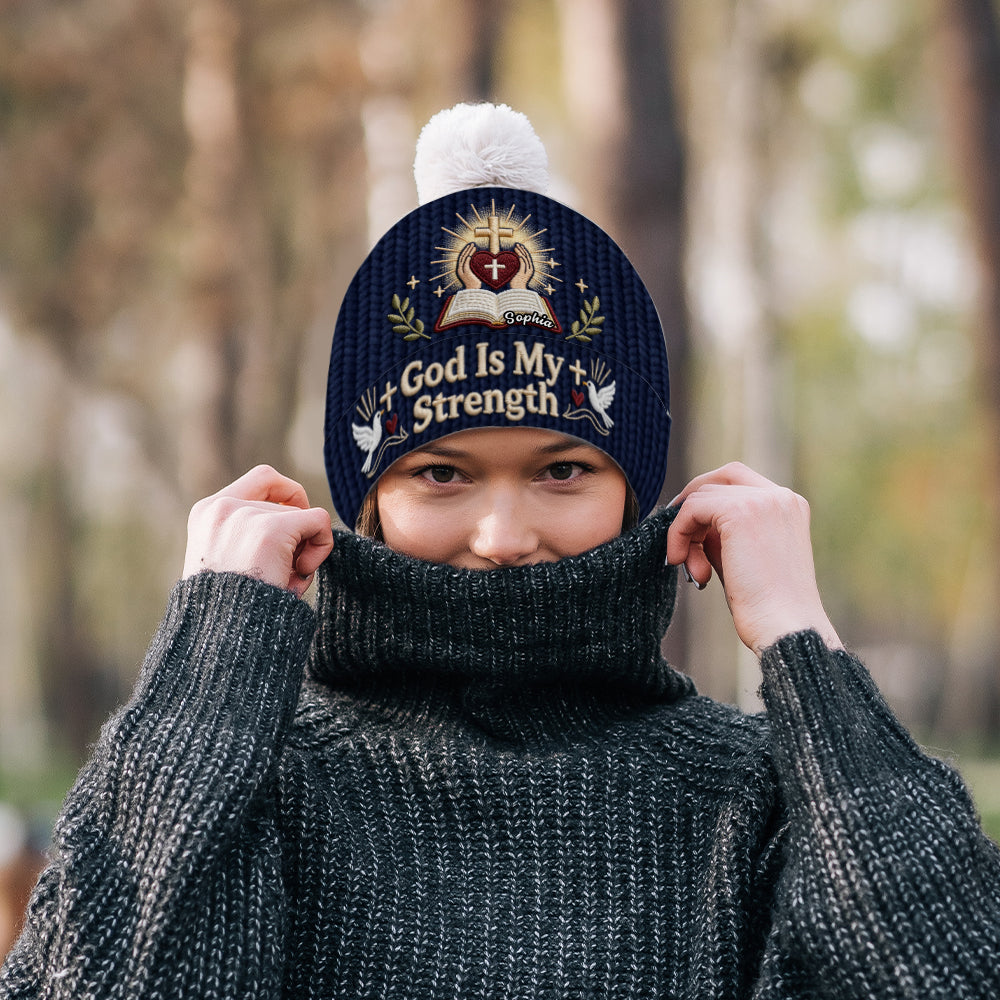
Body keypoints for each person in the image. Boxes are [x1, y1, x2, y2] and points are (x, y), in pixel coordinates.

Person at [2, 103, 999, 1000]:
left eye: (562, 469)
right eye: (440, 473)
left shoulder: (750, 799)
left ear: (631, 488)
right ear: (368, 498)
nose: (505, 534)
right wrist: (201, 686)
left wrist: (804, 646)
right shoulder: (260, 785)